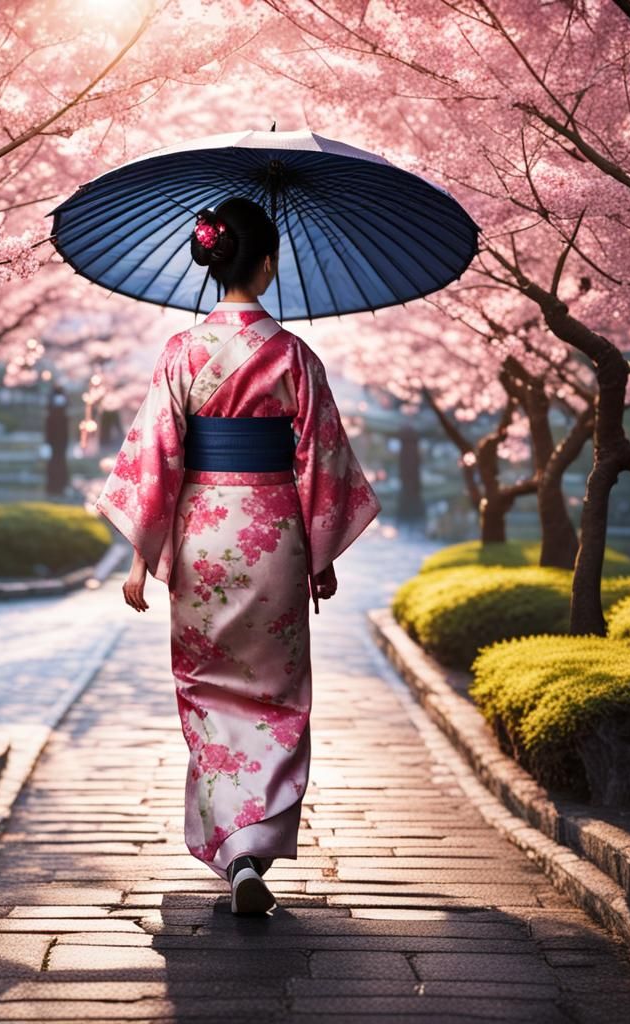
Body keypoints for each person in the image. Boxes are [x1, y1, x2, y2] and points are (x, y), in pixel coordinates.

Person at [93, 196, 382, 914]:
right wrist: (321, 553)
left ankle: (233, 848)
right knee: (276, 695)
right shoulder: (294, 356)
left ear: (215, 260)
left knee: (207, 686)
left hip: (203, 537)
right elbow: (321, 459)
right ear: (269, 262)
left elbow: (156, 457)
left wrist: (139, 559)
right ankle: (256, 845)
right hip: (276, 533)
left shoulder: (182, 352)